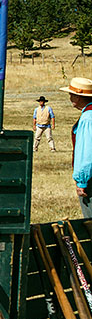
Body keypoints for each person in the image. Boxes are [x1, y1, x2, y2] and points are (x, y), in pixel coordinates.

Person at [61, 77, 92, 217]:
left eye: (71, 94)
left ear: (79, 97)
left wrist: (82, 181)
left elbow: (87, 153)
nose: (70, 97)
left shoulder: (87, 119)